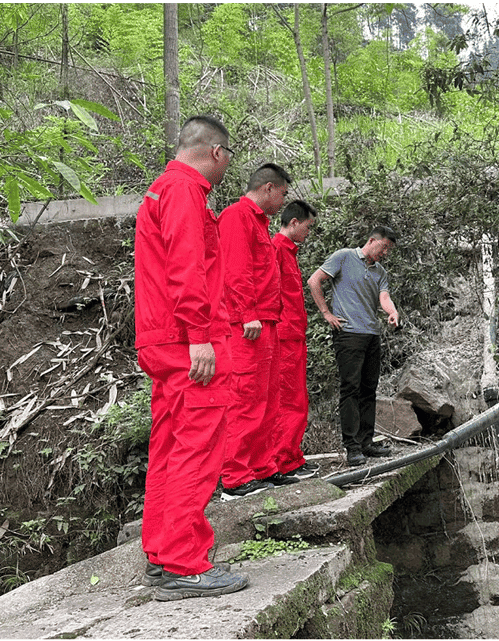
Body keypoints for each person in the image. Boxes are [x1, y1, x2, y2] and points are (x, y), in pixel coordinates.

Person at [134, 114, 248, 600]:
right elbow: (186, 267)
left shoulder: (161, 189)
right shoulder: (184, 191)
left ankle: (163, 555)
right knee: (197, 449)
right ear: (216, 153)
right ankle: (184, 564)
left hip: (163, 339)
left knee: (169, 446)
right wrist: (200, 335)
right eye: (228, 160)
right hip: (187, 342)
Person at [218, 163, 300, 500]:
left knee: (267, 398)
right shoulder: (237, 216)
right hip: (246, 324)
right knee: (245, 396)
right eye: (282, 194)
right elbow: (235, 268)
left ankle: (263, 467)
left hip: (266, 322)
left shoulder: (259, 223)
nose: (283, 202)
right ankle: (235, 476)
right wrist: (247, 313)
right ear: (268, 188)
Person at [307, 226, 400, 467]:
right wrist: (326, 313)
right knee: (351, 388)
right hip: (347, 333)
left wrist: (392, 312)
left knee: (369, 389)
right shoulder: (344, 256)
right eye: (384, 247)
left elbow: (384, 297)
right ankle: (352, 447)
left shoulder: (379, 270)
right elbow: (314, 280)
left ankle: (366, 442)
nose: (386, 252)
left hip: (371, 334)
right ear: (372, 240)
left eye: (389, 249)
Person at [272, 200, 320, 480]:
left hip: (293, 335)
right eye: (308, 227)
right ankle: (283, 460)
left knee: (297, 400)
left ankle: (291, 457)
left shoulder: (288, 252)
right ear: (293, 223)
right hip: (284, 336)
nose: (308, 232)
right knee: (288, 401)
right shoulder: (277, 249)